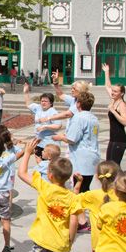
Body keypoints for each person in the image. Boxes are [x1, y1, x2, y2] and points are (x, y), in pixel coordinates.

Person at [17, 138, 82, 252]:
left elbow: (22, 173)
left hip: (42, 240)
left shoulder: (45, 187)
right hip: (61, 243)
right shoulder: (71, 197)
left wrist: (28, 153)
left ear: (51, 175)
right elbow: (74, 220)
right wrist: (70, 241)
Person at [51, 90, 100, 230]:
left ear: (78, 104)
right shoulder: (93, 118)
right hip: (92, 157)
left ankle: (81, 221)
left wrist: (59, 137)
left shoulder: (79, 118)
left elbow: (72, 139)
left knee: (78, 189)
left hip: (80, 158)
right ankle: (88, 217)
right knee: (85, 188)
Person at [80, 160, 120, 252]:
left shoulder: (93, 195)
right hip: (114, 239)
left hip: (98, 239)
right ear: (116, 177)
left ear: (97, 176)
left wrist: (78, 185)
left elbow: (74, 200)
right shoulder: (120, 194)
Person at [102, 63, 126, 165]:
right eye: (113, 91)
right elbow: (108, 86)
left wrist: (113, 111)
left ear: (121, 93)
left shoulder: (121, 105)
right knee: (109, 165)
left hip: (120, 140)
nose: (112, 93)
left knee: (114, 166)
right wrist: (106, 72)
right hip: (113, 139)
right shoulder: (114, 99)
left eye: (115, 91)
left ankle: (122, 181)